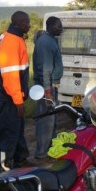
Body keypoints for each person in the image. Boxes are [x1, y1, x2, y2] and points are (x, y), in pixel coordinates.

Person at [0, 11, 32, 173]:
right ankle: (3, 166)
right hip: (8, 94)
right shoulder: (12, 41)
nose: (29, 25)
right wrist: (18, 99)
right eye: (27, 22)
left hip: (9, 92)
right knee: (8, 129)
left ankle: (20, 158)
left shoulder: (12, 37)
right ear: (19, 23)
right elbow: (10, 74)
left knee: (17, 126)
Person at [32, 16, 64, 161]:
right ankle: (42, 153)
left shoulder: (50, 40)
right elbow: (45, 69)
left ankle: (50, 150)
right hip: (46, 87)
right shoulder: (45, 42)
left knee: (52, 119)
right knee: (45, 121)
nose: (61, 28)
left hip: (50, 86)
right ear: (50, 26)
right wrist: (48, 92)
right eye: (58, 26)